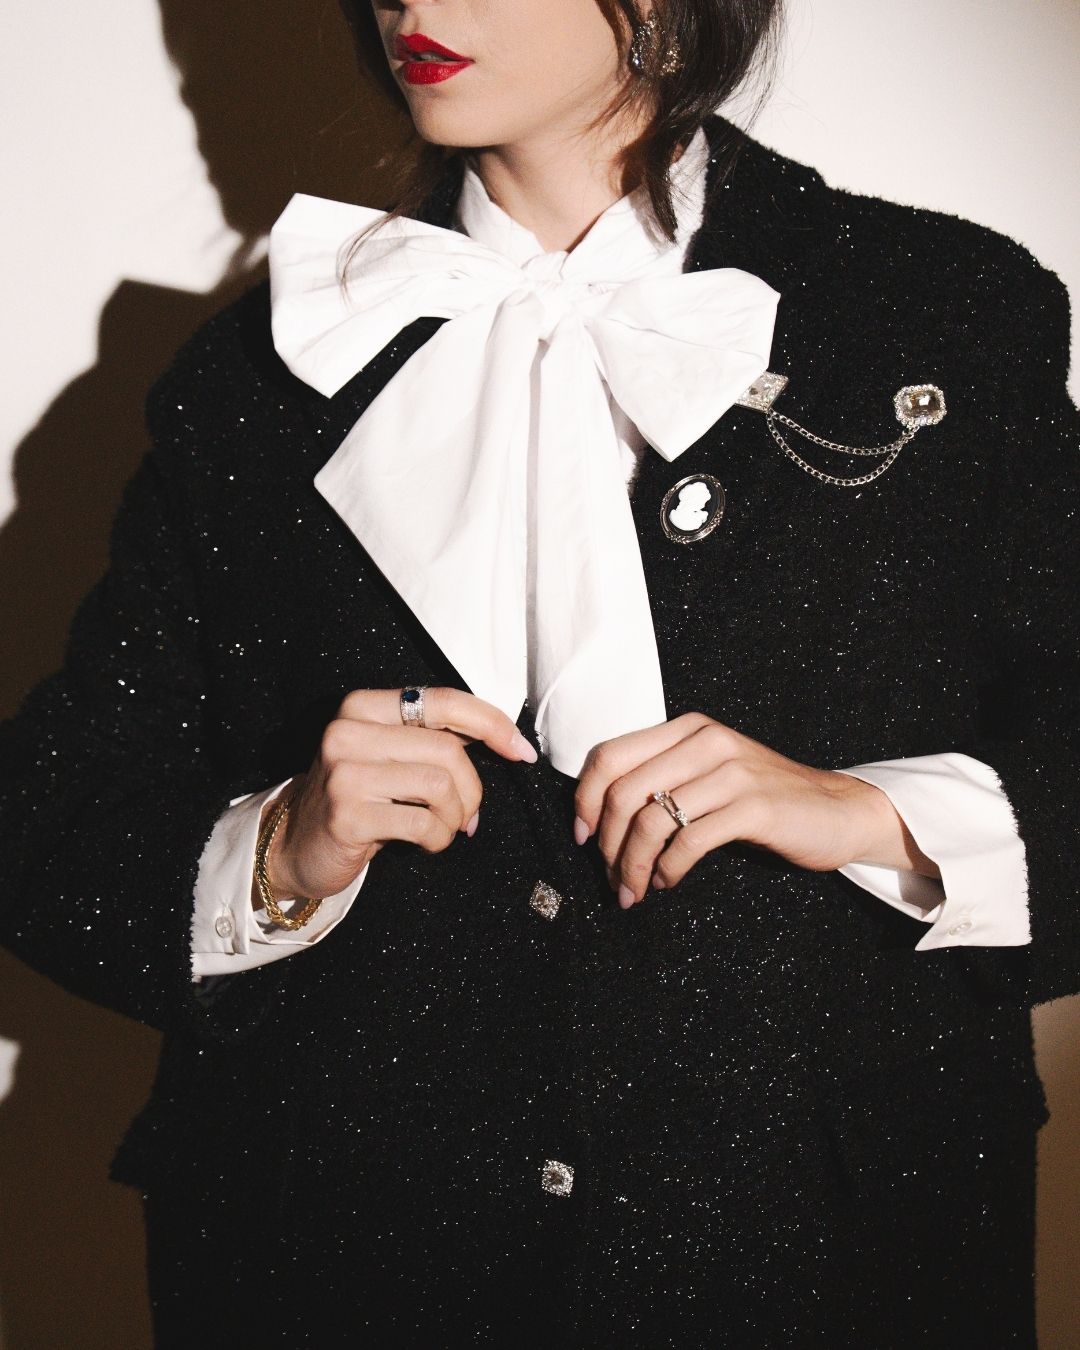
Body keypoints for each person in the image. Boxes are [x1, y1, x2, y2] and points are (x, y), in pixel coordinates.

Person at [1, 0, 1077, 1345]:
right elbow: (51, 822)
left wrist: (878, 814)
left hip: (825, 1256)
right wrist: (279, 849)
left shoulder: (948, 315)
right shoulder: (254, 377)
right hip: (335, 1265)